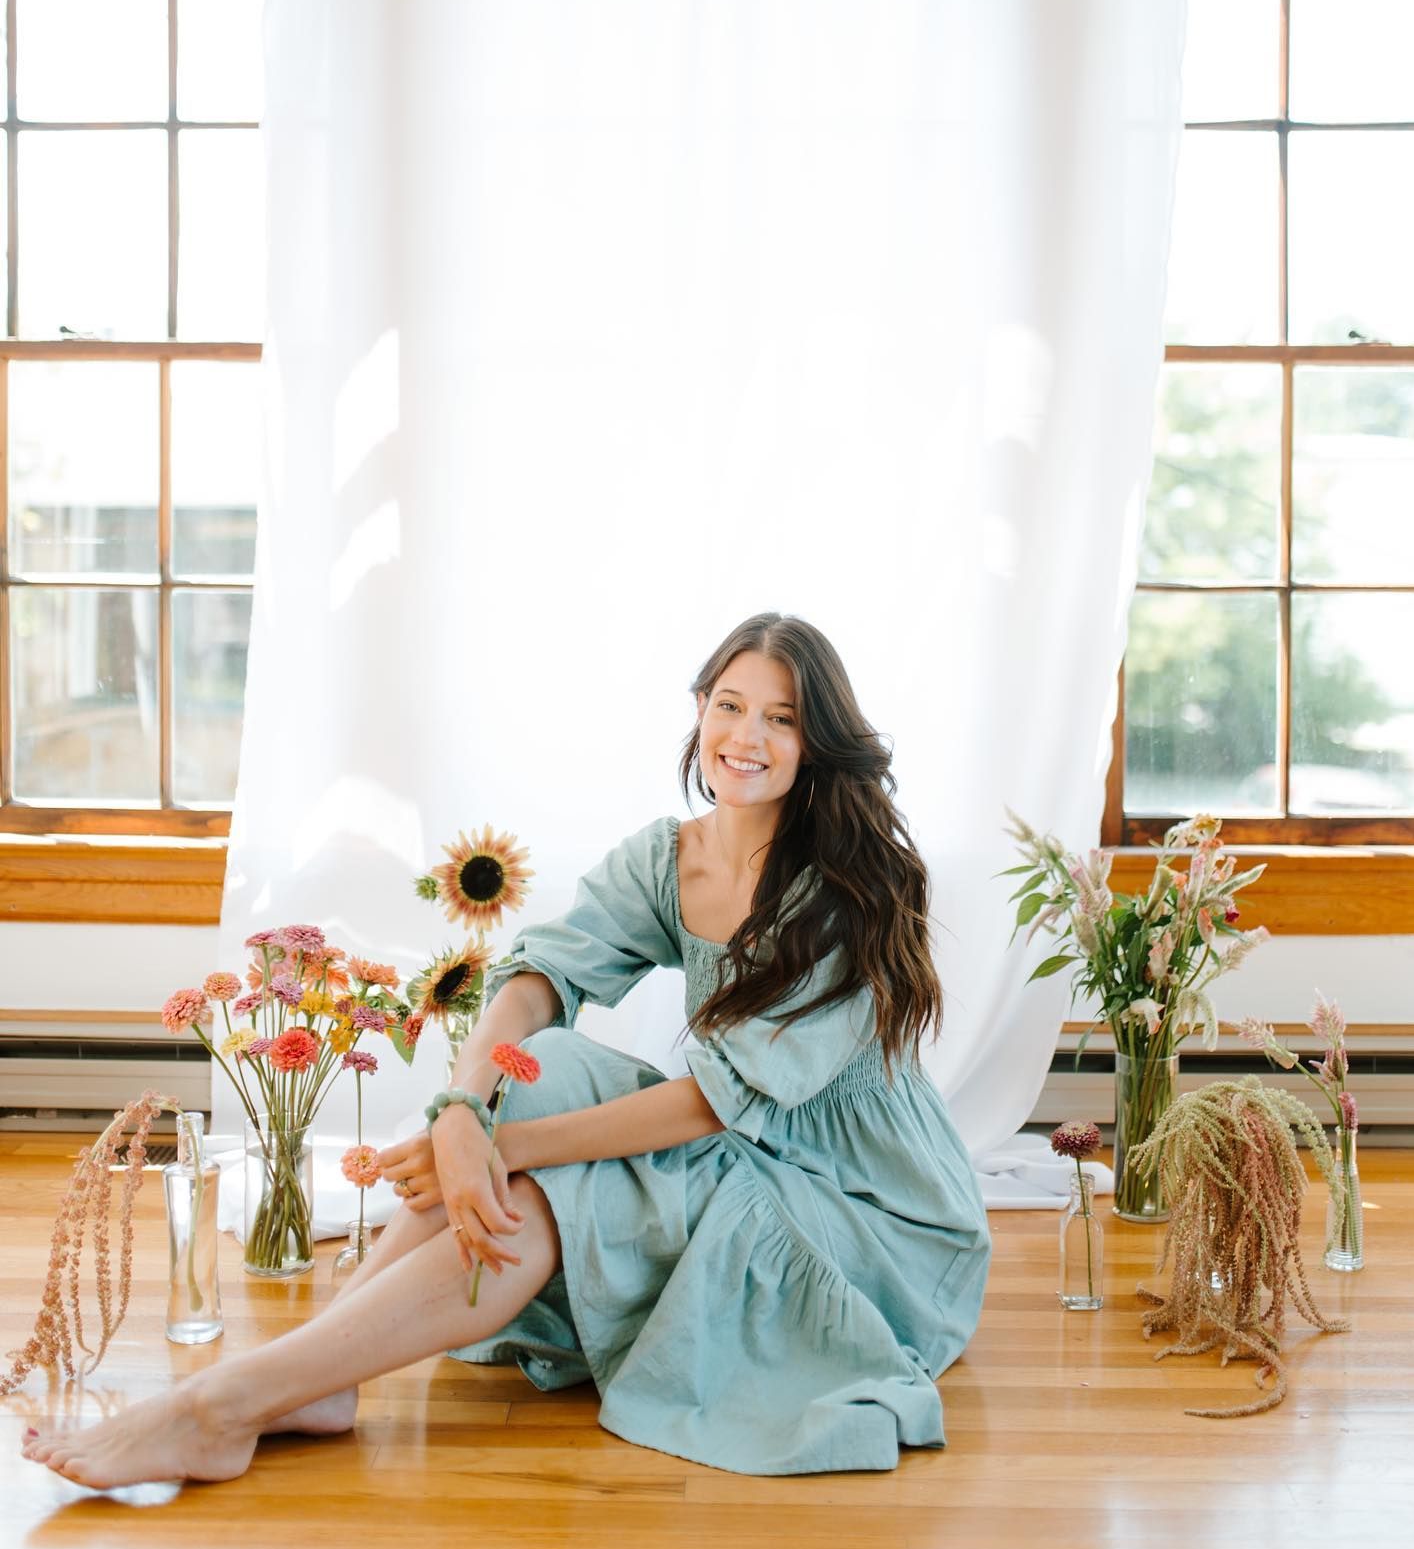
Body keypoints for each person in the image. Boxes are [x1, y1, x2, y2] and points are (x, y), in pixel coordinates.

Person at [21, 612, 990, 1489]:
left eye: (782, 719)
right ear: (699, 708)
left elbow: (713, 1103)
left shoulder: (845, 888)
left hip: (860, 1198)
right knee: (538, 1068)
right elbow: (541, 976)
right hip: (741, 1140)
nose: (748, 736)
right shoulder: (673, 856)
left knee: (545, 1186)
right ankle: (315, 1376)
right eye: (731, 705)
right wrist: (460, 1112)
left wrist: (498, 1145)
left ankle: (225, 1403)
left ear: (816, 742)